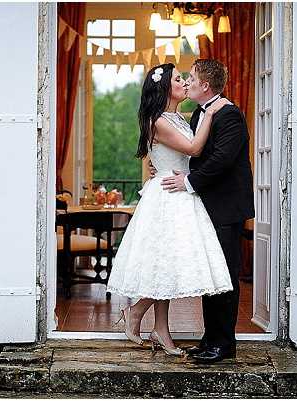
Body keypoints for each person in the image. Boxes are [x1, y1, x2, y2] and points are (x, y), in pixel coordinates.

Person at [107, 63, 233, 356]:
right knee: (165, 262)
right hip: (167, 197)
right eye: (179, 79)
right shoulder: (159, 120)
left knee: (169, 264)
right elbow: (193, 149)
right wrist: (211, 113)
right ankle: (136, 312)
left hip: (179, 193)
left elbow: (176, 155)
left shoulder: (177, 117)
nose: (185, 83)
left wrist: (160, 164)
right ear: (165, 88)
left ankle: (161, 330)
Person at [155, 59, 255, 363]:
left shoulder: (229, 114)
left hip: (226, 207)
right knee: (211, 275)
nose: (187, 82)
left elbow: (222, 159)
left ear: (205, 86)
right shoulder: (201, 112)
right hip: (208, 206)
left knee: (224, 275)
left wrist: (188, 181)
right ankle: (210, 338)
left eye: (191, 79)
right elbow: (189, 150)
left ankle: (223, 344)